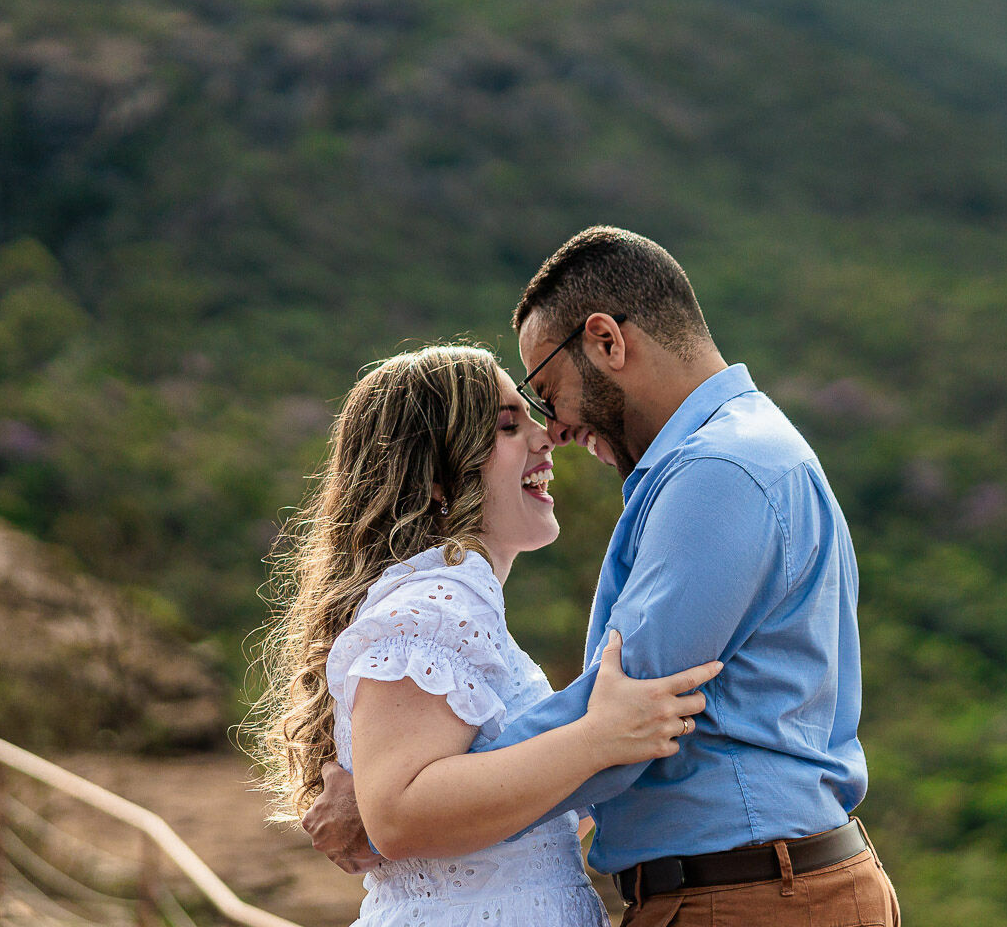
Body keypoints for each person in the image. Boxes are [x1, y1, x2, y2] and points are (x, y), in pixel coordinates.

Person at [306, 227, 899, 927]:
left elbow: (629, 716)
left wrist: (393, 805)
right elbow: (614, 730)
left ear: (607, 342)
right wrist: (402, 796)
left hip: (746, 897)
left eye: (546, 393)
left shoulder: (719, 471)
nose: (551, 428)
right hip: (750, 889)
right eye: (516, 418)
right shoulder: (733, 456)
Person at [250, 344, 724, 927]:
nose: (545, 436)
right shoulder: (438, 603)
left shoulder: (457, 603)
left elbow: (499, 818)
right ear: (434, 477)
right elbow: (399, 814)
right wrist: (600, 737)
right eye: (507, 426)